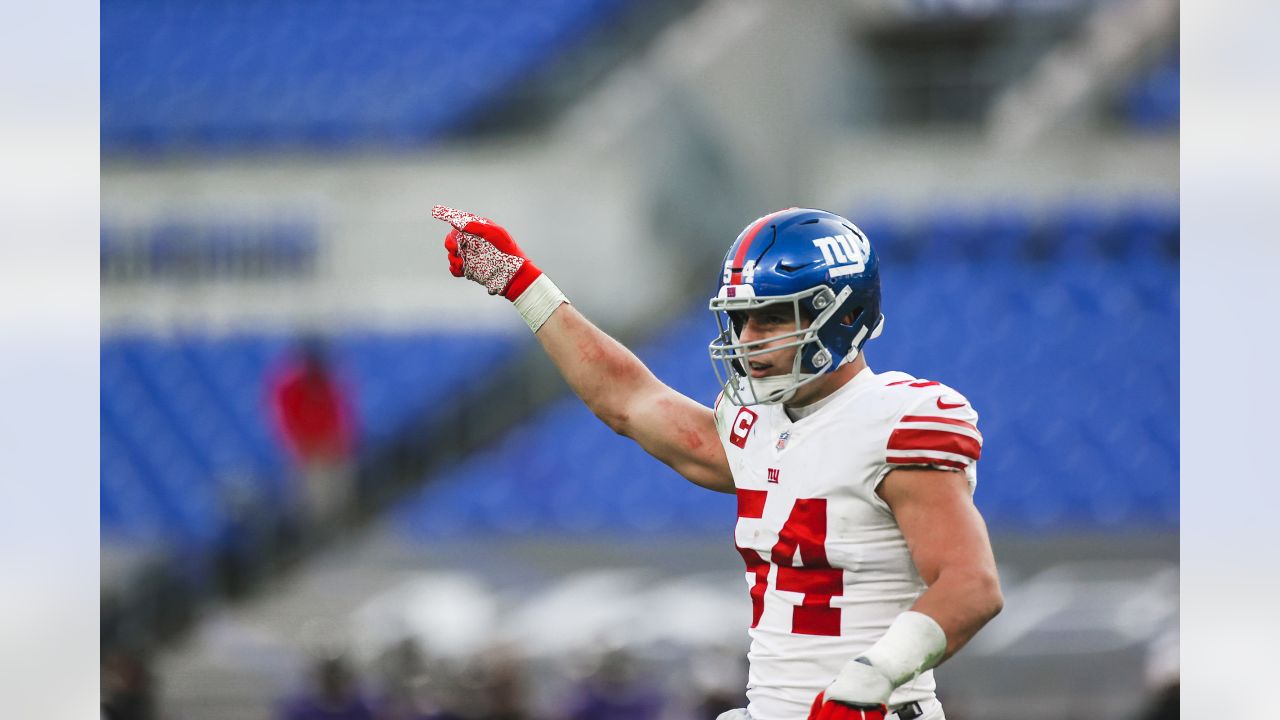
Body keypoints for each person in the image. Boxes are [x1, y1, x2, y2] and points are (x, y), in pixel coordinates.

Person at [430, 205, 1003, 720]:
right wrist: (522, 285)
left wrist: (869, 680)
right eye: (740, 320)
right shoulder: (756, 428)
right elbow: (629, 402)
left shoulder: (896, 421)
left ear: (842, 315)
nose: (748, 338)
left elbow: (971, 586)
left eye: (772, 318)